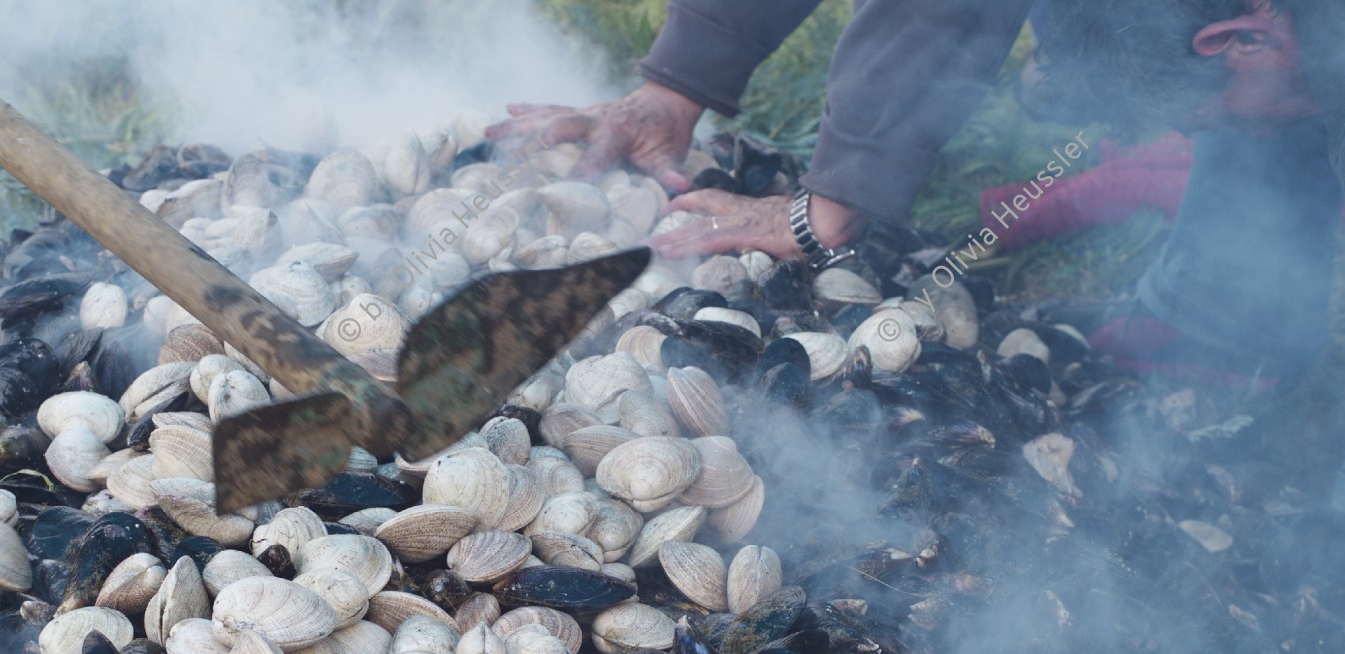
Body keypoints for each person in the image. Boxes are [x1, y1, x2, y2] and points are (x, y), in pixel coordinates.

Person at [490, 0, 1343, 379]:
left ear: (1246, 32)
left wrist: (831, 204)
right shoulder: (1237, 44)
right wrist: (678, 84)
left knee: (1291, 110)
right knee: (1248, 105)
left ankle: (1225, 304)